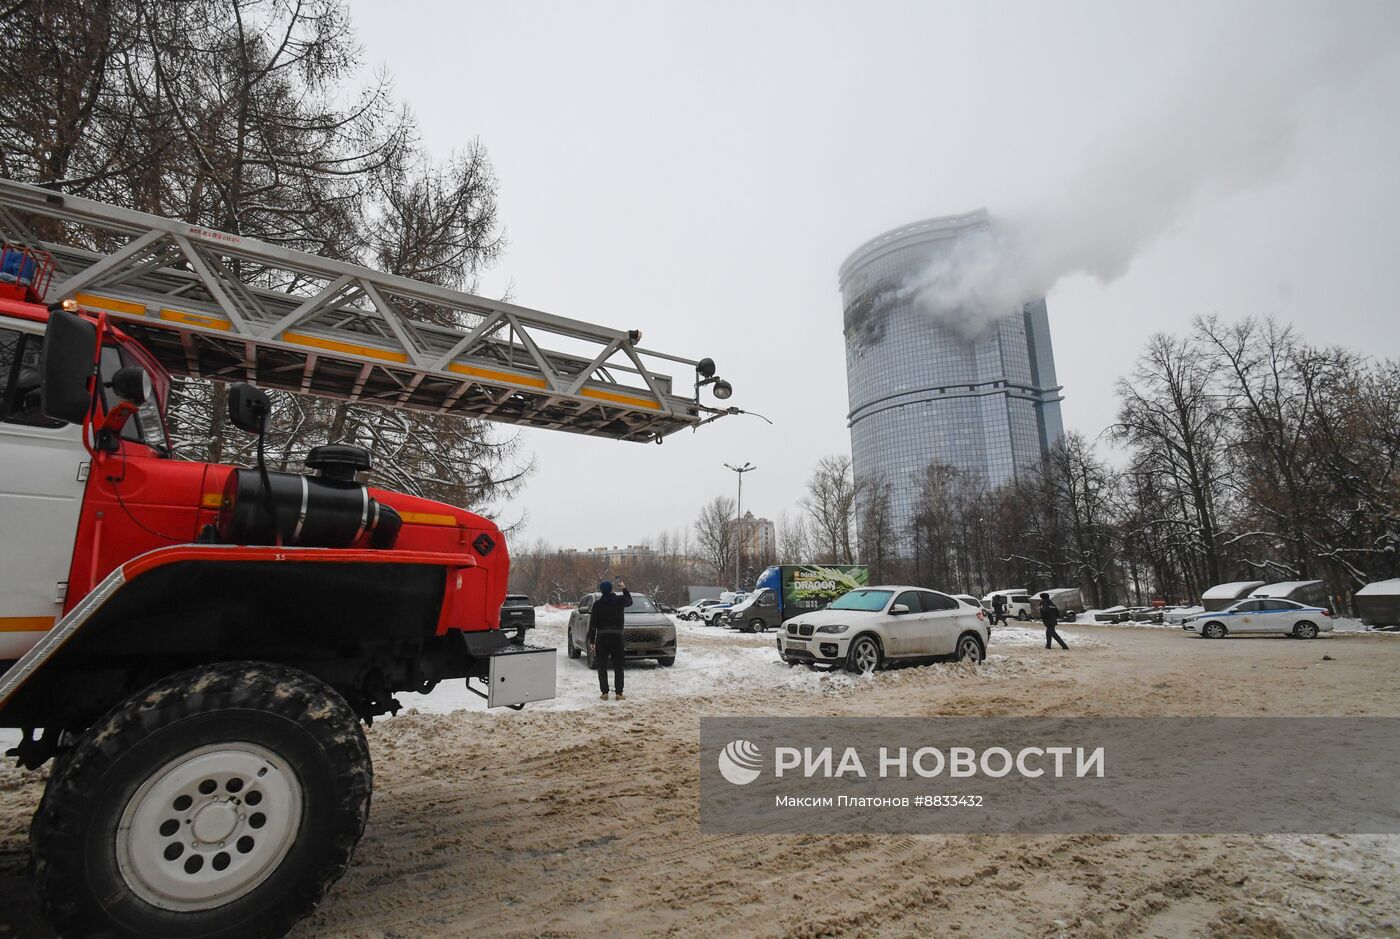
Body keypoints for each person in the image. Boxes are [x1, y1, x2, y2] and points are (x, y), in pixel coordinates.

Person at [587, 579, 632, 700]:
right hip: (617, 637)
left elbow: (593, 624)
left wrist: (591, 640)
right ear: (611, 589)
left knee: (602, 666)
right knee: (618, 666)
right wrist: (624, 588)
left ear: (601, 591)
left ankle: (604, 692)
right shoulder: (620, 600)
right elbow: (630, 602)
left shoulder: (597, 605)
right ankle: (619, 693)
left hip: (602, 638)